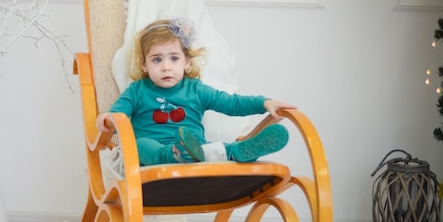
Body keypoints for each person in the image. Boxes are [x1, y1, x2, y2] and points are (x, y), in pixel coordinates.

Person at [96, 18, 296, 166]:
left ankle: (240, 151)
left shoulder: (195, 90)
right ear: (144, 65)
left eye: (174, 58)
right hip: (150, 156)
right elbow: (118, 114)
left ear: (187, 62)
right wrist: (107, 118)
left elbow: (232, 103)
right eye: (157, 59)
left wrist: (263, 103)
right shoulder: (137, 90)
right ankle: (174, 154)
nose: (166, 67)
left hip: (195, 152)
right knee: (139, 145)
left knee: (214, 148)